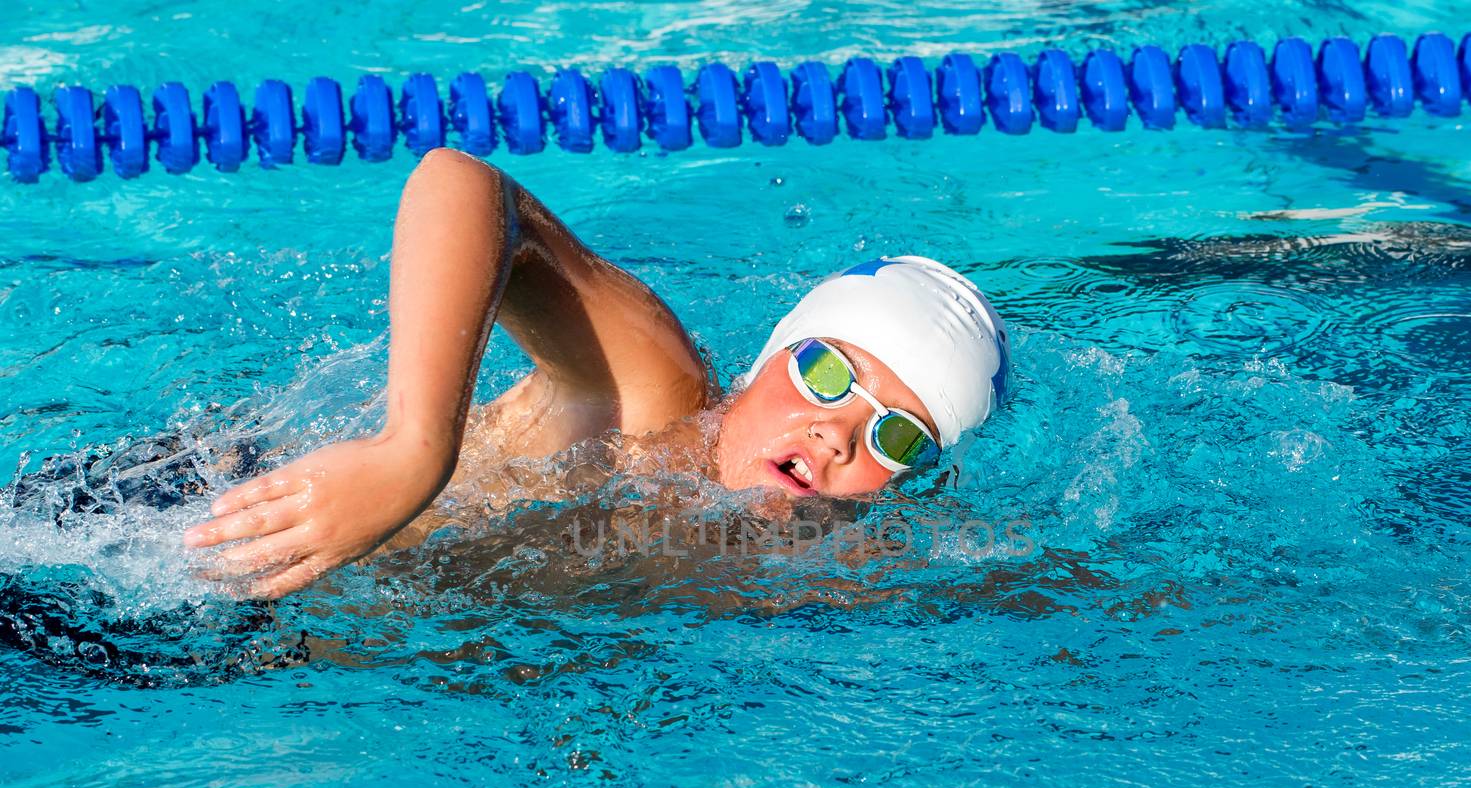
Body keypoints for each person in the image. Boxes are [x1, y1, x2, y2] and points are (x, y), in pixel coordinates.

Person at [160, 146, 1009, 599]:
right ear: (769, 357)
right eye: (829, 373)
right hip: (194, 521)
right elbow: (463, 184)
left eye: (896, 436)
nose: (838, 431)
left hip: (269, 635)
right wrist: (414, 452)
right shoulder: (650, 391)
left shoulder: (824, 568)